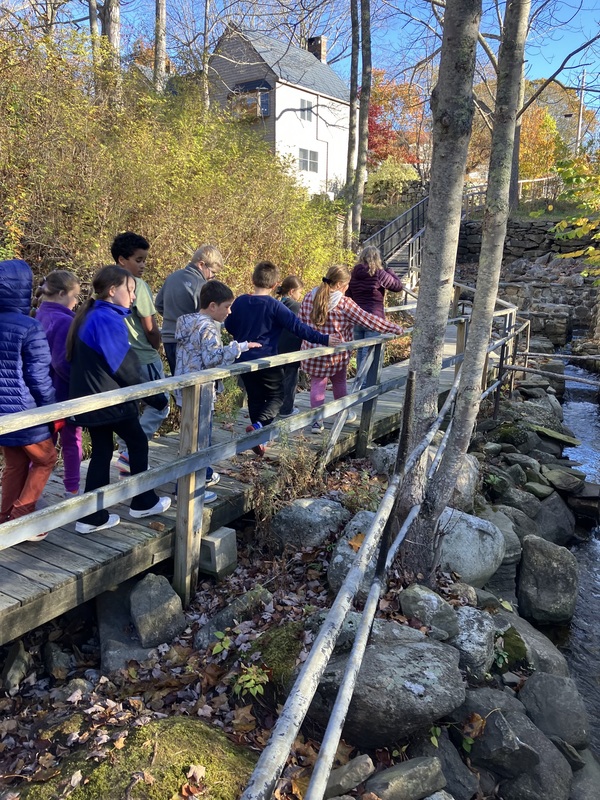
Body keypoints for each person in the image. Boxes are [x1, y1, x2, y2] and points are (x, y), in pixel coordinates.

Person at [67, 265, 171, 534]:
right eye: (130, 290)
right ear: (113, 291)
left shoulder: (92, 314)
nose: (134, 297)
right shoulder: (106, 319)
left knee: (103, 451)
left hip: (92, 399)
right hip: (108, 400)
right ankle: (142, 501)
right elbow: (125, 367)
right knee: (137, 442)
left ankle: (91, 516)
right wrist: (156, 397)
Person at [225, 261, 340, 455]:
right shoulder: (274, 305)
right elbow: (298, 327)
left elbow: (229, 324)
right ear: (274, 284)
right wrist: (324, 338)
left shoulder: (240, 301)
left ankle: (259, 438)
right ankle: (259, 428)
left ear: (253, 279)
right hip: (267, 360)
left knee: (255, 397)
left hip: (243, 359)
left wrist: (243, 336)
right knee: (277, 396)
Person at [174, 280, 261, 500]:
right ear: (212, 306)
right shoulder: (208, 326)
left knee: (190, 439)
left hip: (184, 388)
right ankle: (189, 492)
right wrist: (239, 347)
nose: (230, 312)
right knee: (201, 441)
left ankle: (200, 477)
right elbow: (212, 359)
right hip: (201, 390)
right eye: (227, 307)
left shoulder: (186, 322)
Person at [299, 265, 404, 434]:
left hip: (313, 352)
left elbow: (300, 324)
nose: (348, 287)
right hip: (337, 354)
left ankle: (316, 422)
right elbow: (368, 320)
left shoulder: (309, 297)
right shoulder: (343, 303)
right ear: (340, 284)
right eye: (347, 284)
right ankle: (343, 414)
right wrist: (393, 328)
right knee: (339, 382)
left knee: (317, 384)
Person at [0, 259, 58, 541]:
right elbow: (38, 376)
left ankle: (4, 518)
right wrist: (52, 408)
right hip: (24, 411)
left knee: (15, 464)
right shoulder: (30, 327)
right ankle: (22, 518)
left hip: (2, 414)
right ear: (23, 289)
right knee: (47, 459)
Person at [110, 232, 170, 476]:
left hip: (117, 359)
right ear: (122, 259)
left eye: (145, 259)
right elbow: (150, 327)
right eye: (139, 260)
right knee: (161, 404)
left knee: (129, 408)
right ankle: (129, 453)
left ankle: (126, 455)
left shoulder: (106, 283)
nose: (143, 265)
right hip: (143, 357)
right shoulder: (138, 286)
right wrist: (156, 347)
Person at [36, 270, 83, 497]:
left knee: (42, 447)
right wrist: (80, 383)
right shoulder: (64, 321)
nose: (76, 302)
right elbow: (61, 362)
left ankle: (32, 493)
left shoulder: (38, 314)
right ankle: (72, 489)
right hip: (63, 393)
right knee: (72, 442)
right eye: (75, 296)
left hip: (41, 394)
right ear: (63, 293)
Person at [155, 244, 224, 375]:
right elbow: (207, 316)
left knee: (177, 380)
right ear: (201, 265)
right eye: (213, 272)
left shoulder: (172, 277)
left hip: (168, 339)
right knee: (194, 383)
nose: (212, 277)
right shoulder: (201, 285)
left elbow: (158, 304)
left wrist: (174, 317)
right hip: (189, 344)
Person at [346, 245, 405, 379]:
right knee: (369, 353)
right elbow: (398, 286)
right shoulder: (379, 273)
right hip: (374, 318)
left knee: (361, 350)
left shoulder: (353, 274)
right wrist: (390, 271)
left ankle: (360, 381)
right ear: (377, 258)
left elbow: (348, 295)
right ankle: (364, 386)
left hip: (357, 317)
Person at [276, 276, 305, 418]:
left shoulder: (277, 303)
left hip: (276, 348)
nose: (300, 295)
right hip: (292, 348)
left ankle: (275, 407)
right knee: (290, 380)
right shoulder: (296, 306)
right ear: (292, 291)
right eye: (299, 292)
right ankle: (286, 409)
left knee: (277, 381)